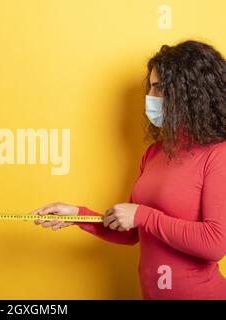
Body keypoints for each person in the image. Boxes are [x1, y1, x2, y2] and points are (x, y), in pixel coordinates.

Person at [31, 40, 226, 299]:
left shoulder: (218, 154)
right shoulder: (153, 153)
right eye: (150, 87)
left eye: (158, 88)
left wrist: (144, 215)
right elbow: (132, 231)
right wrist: (77, 215)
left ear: (189, 92)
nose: (150, 97)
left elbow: (215, 244)